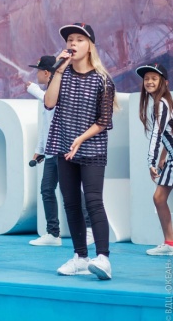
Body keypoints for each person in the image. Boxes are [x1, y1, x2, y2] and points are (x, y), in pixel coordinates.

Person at [45, 23, 115, 280]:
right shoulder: (62, 74)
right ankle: (81, 257)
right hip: (64, 148)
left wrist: (81, 139)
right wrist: (59, 70)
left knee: (93, 201)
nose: (72, 43)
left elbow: (103, 120)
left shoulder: (103, 80)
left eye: (79, 39)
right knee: (71, 203)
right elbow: (49, 103)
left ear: (90, 46)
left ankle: (103, 258)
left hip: (92, 148)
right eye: (69, 40)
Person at [27, 57, 95, 247]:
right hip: (51, 151)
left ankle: (89, 229)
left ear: (46, 72)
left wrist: (33, 89)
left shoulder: (61, 89)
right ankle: (52, 233)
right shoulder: (50, 92)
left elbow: (51, 102)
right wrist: (40, 150)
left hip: (64, 149)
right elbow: (46, 125)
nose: (37, 74)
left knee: (73, 190)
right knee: (47, 189)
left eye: (39, 71)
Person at [136, 64, 173, 256]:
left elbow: (157, 134)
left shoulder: (162, 104)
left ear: (164, 83)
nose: (149, 82)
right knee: (159, 198)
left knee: (159, 198)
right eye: (146, 78)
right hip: (171, 158)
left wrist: (151, 161)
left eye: (154, 78)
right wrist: (163, 157)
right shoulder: (163, 103)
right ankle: (170, 243)